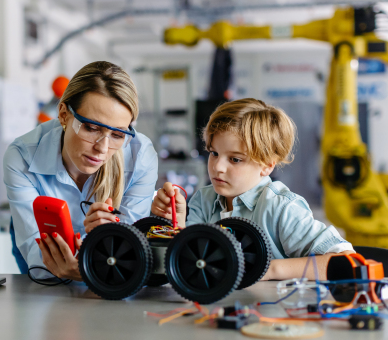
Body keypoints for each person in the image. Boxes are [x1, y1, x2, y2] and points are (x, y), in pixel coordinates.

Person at [151, 98, 354, 280]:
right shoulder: (203, 199)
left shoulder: (281, 207)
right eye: (214, 153)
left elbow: (346, 261)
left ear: (267, 165)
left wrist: (266, 270)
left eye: (235, 159)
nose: (217, 167)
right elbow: (188, 261)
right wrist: (175, 221)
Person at [4, 61, 158, 280]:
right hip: (46, 256)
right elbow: (37, 254)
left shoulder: (141, 158)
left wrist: (94, 253)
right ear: (64, 114)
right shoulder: (22, 156)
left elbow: (128, 252)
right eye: (92, 128)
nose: (103, 149)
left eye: (117, 135)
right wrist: (91, 262)